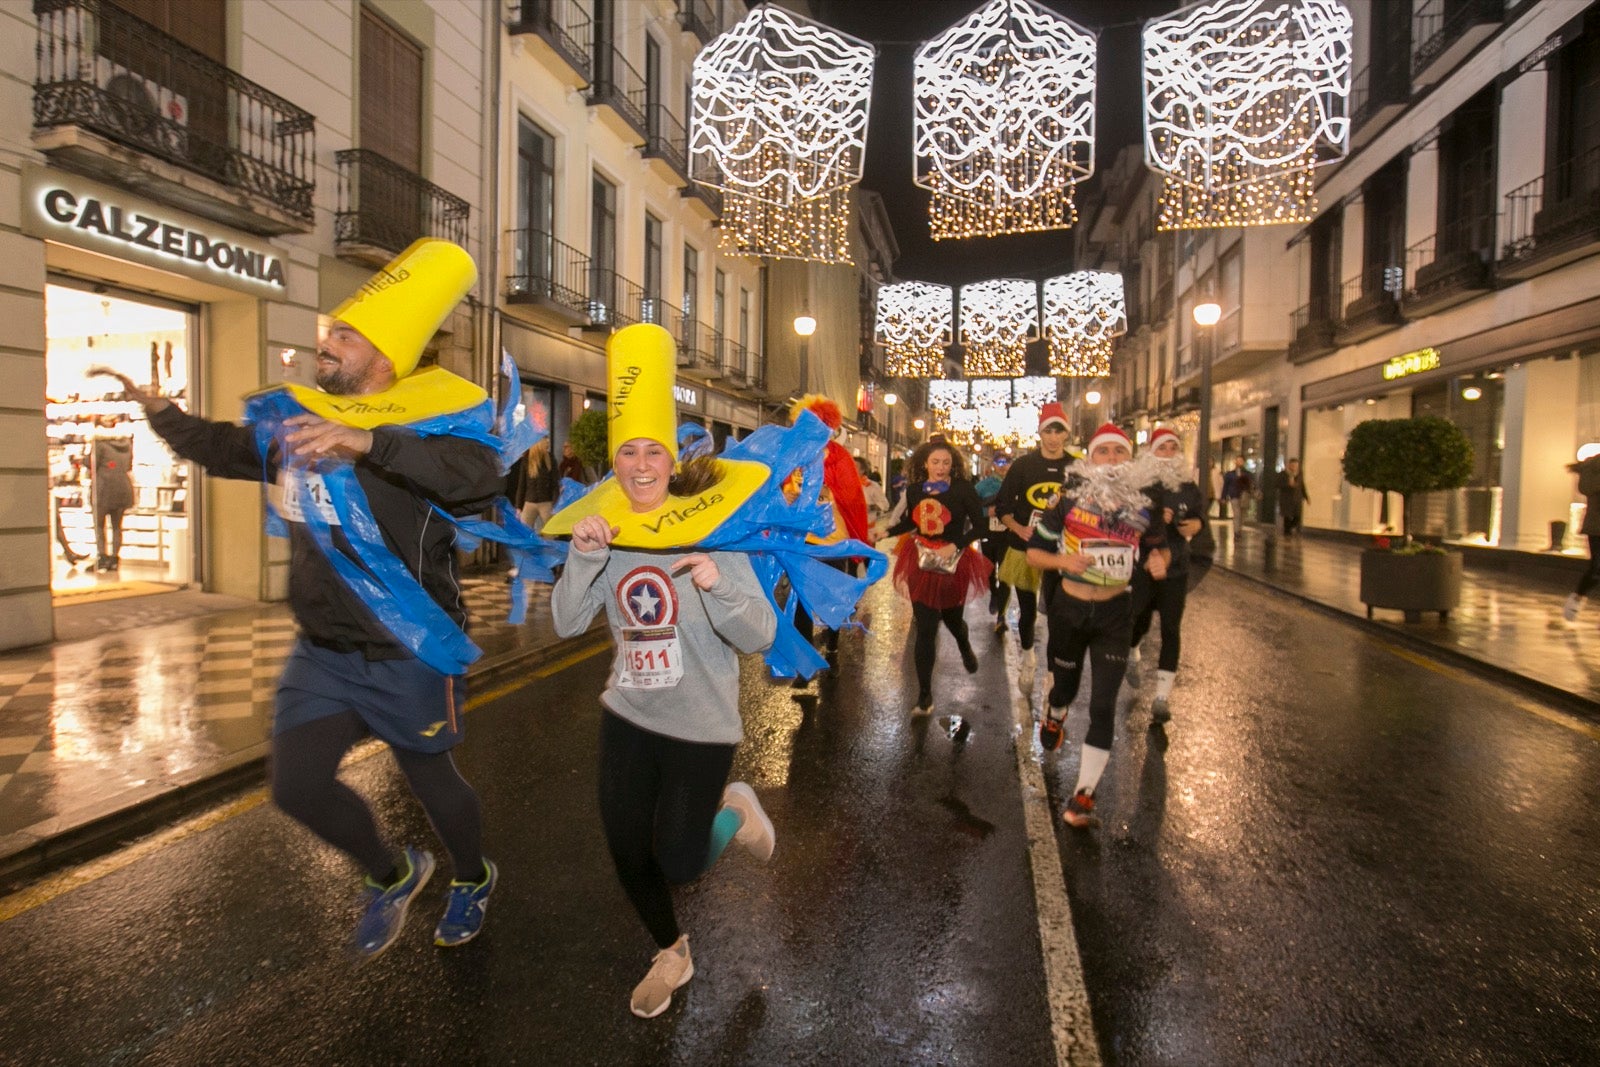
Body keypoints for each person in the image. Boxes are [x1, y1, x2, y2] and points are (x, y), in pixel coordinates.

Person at [101, 240, 506, 957]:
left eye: (343, 338)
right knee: (296, 785)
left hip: (408, 649)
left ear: (382, 357)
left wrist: (367, 441)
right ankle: (393, 873)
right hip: (321, 654)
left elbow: (477, 478)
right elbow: (225, 448)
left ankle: (472, 875)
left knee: (436, 787)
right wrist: (162, 411)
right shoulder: (301, 422)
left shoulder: (429, 427)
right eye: (328, 335)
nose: (327, 345)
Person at [550, 323, 779, 1019]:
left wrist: (718, 581)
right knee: (625, 846)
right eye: (629, 451)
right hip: (630, 712)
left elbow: (760, 634)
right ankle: (672, 951)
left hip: (702, 724)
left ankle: (733, 807)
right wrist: (585, 555)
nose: (642, 464)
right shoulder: (604, 530)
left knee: (680, 860)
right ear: (614, 460)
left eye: (654, 450)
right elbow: (564, 621)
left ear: (672, 458)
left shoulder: (710, 525)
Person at [1027, 423, 1169, 828]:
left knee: (1104, 704)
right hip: (1069, 610)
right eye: (1103, 452)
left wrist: (1162, 562)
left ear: (1130, 459)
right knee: (1066, 689)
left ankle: (1085, 793)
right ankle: (1055, 711)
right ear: (1090, 460)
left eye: (1118, 453)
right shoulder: (1068, 500)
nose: (1111, 460)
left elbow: (1159, 547)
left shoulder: (1144, 506)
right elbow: (1035, 553)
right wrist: (1063, 562)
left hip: (1114, 615)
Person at [874, 438, 993, 716]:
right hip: (922, 560)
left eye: (946, 463)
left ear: (953, 466)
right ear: (925, 463)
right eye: (935, 462)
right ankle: (924, 696)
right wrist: (886, 533)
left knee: (952, 620)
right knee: (926, 627)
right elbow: (911, 523)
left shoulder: (963, 490)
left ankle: (963, 644)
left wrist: (957, 544)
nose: (941, 468)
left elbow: (981, 526)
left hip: (954, 561)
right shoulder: (915, 490)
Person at [1127, 427, 1205, 723]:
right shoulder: (1138, 484)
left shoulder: (1187, 486)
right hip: (1144, 566)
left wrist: (1196, 524)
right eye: (1163, 448)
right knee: (1139, 619)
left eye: (1173, 448)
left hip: (1176, 569)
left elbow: (1201, 516)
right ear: (1151, 452)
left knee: (1171, 628)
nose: (1169, 454)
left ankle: (1162, 697)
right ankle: (1132, 650)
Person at [994, 403, 1072, 693]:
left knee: (1057, 613)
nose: (1053, 437)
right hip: (1023, 548)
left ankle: (1052, 672)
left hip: (1060, 551)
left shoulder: (1076, 467)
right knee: (1028, 611)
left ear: (1066, 433)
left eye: (1058, 431)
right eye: (1048, 431)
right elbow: (1002, 506)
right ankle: (1028, 658)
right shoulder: (1024, 465)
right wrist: (1019, 528)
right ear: (1040, 433)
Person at [90, 426, 134, 572]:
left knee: (99, 525)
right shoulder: (126, 445)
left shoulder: (99, 446)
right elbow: (128, 466)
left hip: (103, 490)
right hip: (123, 489)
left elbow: (90, 463)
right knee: (117, 527)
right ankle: (114, 559)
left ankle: (102, 558)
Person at [1563, 449, 1600, 622]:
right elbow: (1586, 487)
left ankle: (1577, 598)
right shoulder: (1594, 467)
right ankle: (1577, 597)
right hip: (1597, 527)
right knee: (1597, 569)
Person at [518, 438, 556, 533]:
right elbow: (522, 484)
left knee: (550, 532)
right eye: (545, 439)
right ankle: (527, 547)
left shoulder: (550, 458)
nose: (547, 441)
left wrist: (555, 503)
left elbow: (555, 482)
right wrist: (518, 506)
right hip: (530, 501)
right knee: (524, 531)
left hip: (546, 501)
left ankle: (549, 547)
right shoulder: (527, 459)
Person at [1276, 458, 1309, 538]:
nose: (1294, 467)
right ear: (1289, 465)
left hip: (1296, 499)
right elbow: (1277, 484)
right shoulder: (1283, 474)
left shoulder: (1299, 474)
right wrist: (1288, 485)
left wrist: (1306, 497)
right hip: (1286, 499)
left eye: (1296, 465)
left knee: (1297, 517)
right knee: (1287, 516)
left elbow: (1302, 486)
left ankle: (1288, 529)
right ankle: (1287, 533)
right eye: (1293, 465)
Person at [1221, 457, 1253, 526]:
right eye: (1238, 461)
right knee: (1237, 514)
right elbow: (1226, 485)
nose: (1239, 462)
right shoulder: (1230, 474)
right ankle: (1237, 532)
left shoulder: (1248, 474)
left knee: (1242, 515)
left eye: (1241, 461)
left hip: (1244, 496)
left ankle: (1239, 530)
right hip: (1234, 496)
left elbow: (1250, 485)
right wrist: (1224, 497)